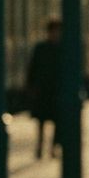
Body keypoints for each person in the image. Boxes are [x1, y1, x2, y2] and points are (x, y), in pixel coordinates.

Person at [25, 18, 61, 159]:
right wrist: (31, 86)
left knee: (57, 121)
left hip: (56, 90)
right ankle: (40, 147)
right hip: (43, 89)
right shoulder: (41, 48)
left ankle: (53, 147)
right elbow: (33, 68)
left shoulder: (61, 48)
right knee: (41, 121)